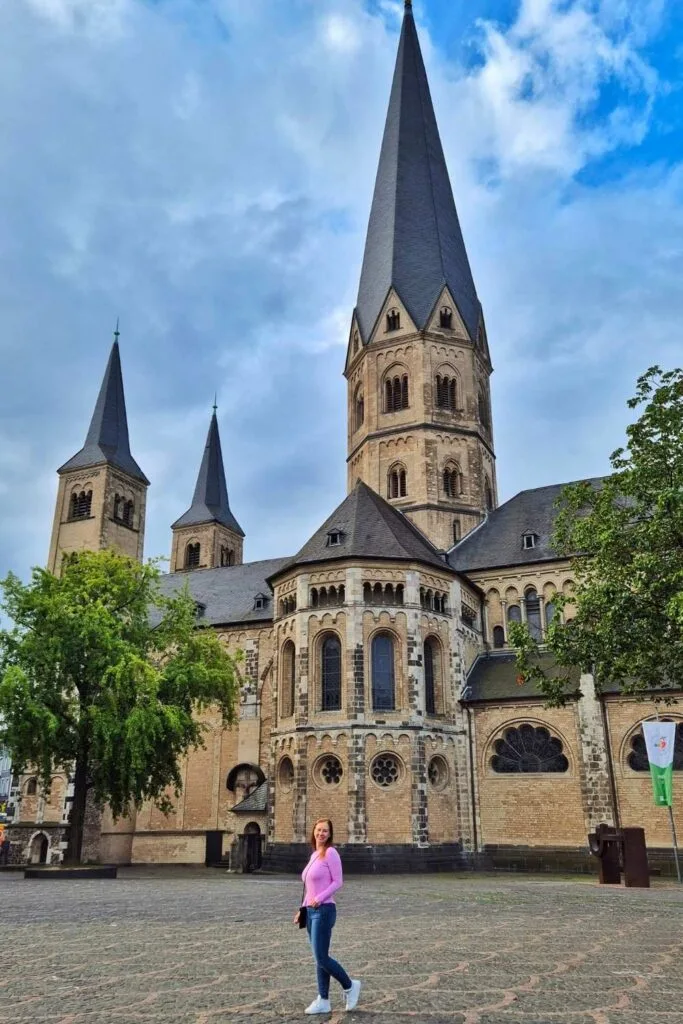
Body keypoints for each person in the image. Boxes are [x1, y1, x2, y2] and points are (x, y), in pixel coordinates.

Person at [294, 818, 361, 1015]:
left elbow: (338, 881)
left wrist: (320, 898)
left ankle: (350, 985)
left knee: (322, 957)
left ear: (330, 834)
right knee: (319, 957)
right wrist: (303, 909)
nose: (321, 833)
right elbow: (309, 887)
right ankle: (323, 999)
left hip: (324, 910)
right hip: (312, 911)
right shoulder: (315, 854)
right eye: (318, 830)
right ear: (313, 832)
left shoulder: (331, 853)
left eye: (325, 831)